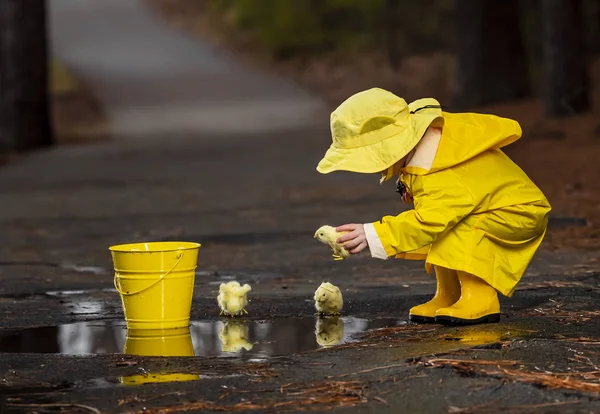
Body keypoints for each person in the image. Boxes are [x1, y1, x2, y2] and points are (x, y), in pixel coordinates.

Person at [316, 88, 551, 326]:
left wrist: (373, 233)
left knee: (458, 227)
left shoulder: (441, 170)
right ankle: (448, 294)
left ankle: (478, 298)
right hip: (499, 207)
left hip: (517, 213)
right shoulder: (429, 149)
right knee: (449, 227)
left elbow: (429, 220)